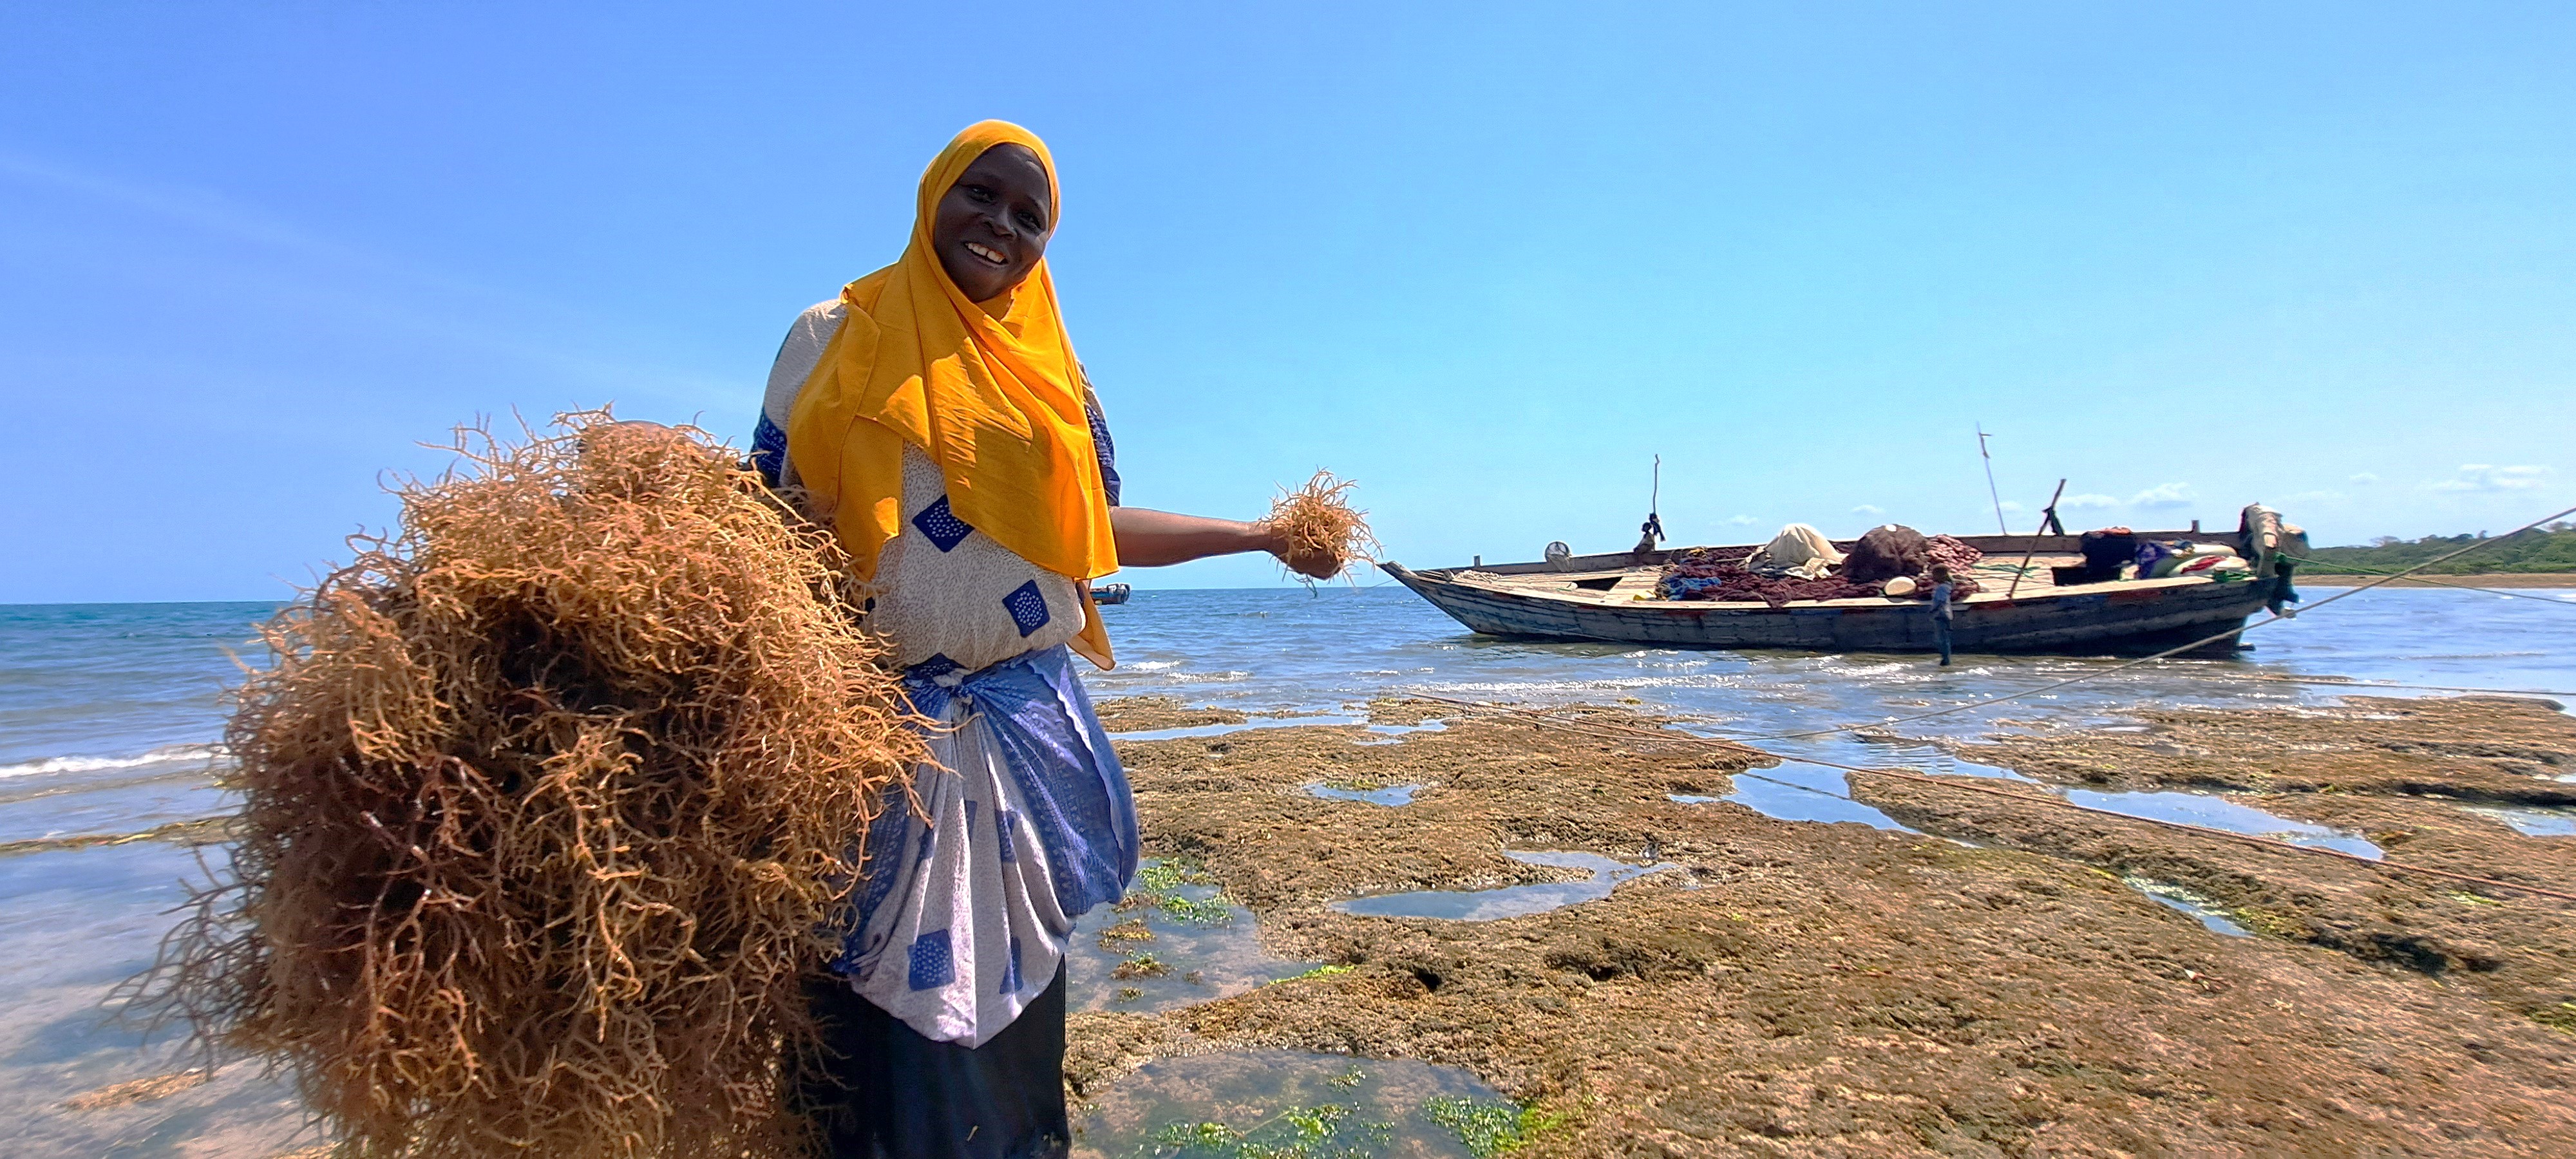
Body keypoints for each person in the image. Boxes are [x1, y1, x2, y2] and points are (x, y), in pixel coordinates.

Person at [757, 122, 1333, 1159]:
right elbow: (767, 521)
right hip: (864, 740)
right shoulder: (833, 334)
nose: (1003, 226)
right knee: (853, 1030)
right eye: (982, 195)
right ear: (934, 195)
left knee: (1007, 1041)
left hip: (1018, 736)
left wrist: (1259, 534)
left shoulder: (1058, 379)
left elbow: (1092, 537)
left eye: (1032, 216)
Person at [1928, 563, 1955, 666]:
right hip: (1946, 614)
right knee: (1944, 639)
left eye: (1934, 575)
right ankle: (1946, 659)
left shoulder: (1942, 588)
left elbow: (1941, 601)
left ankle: (1946, 660)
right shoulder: (1947, 585)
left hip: (1941, 615)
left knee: (1942, 639)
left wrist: (1932, 610)